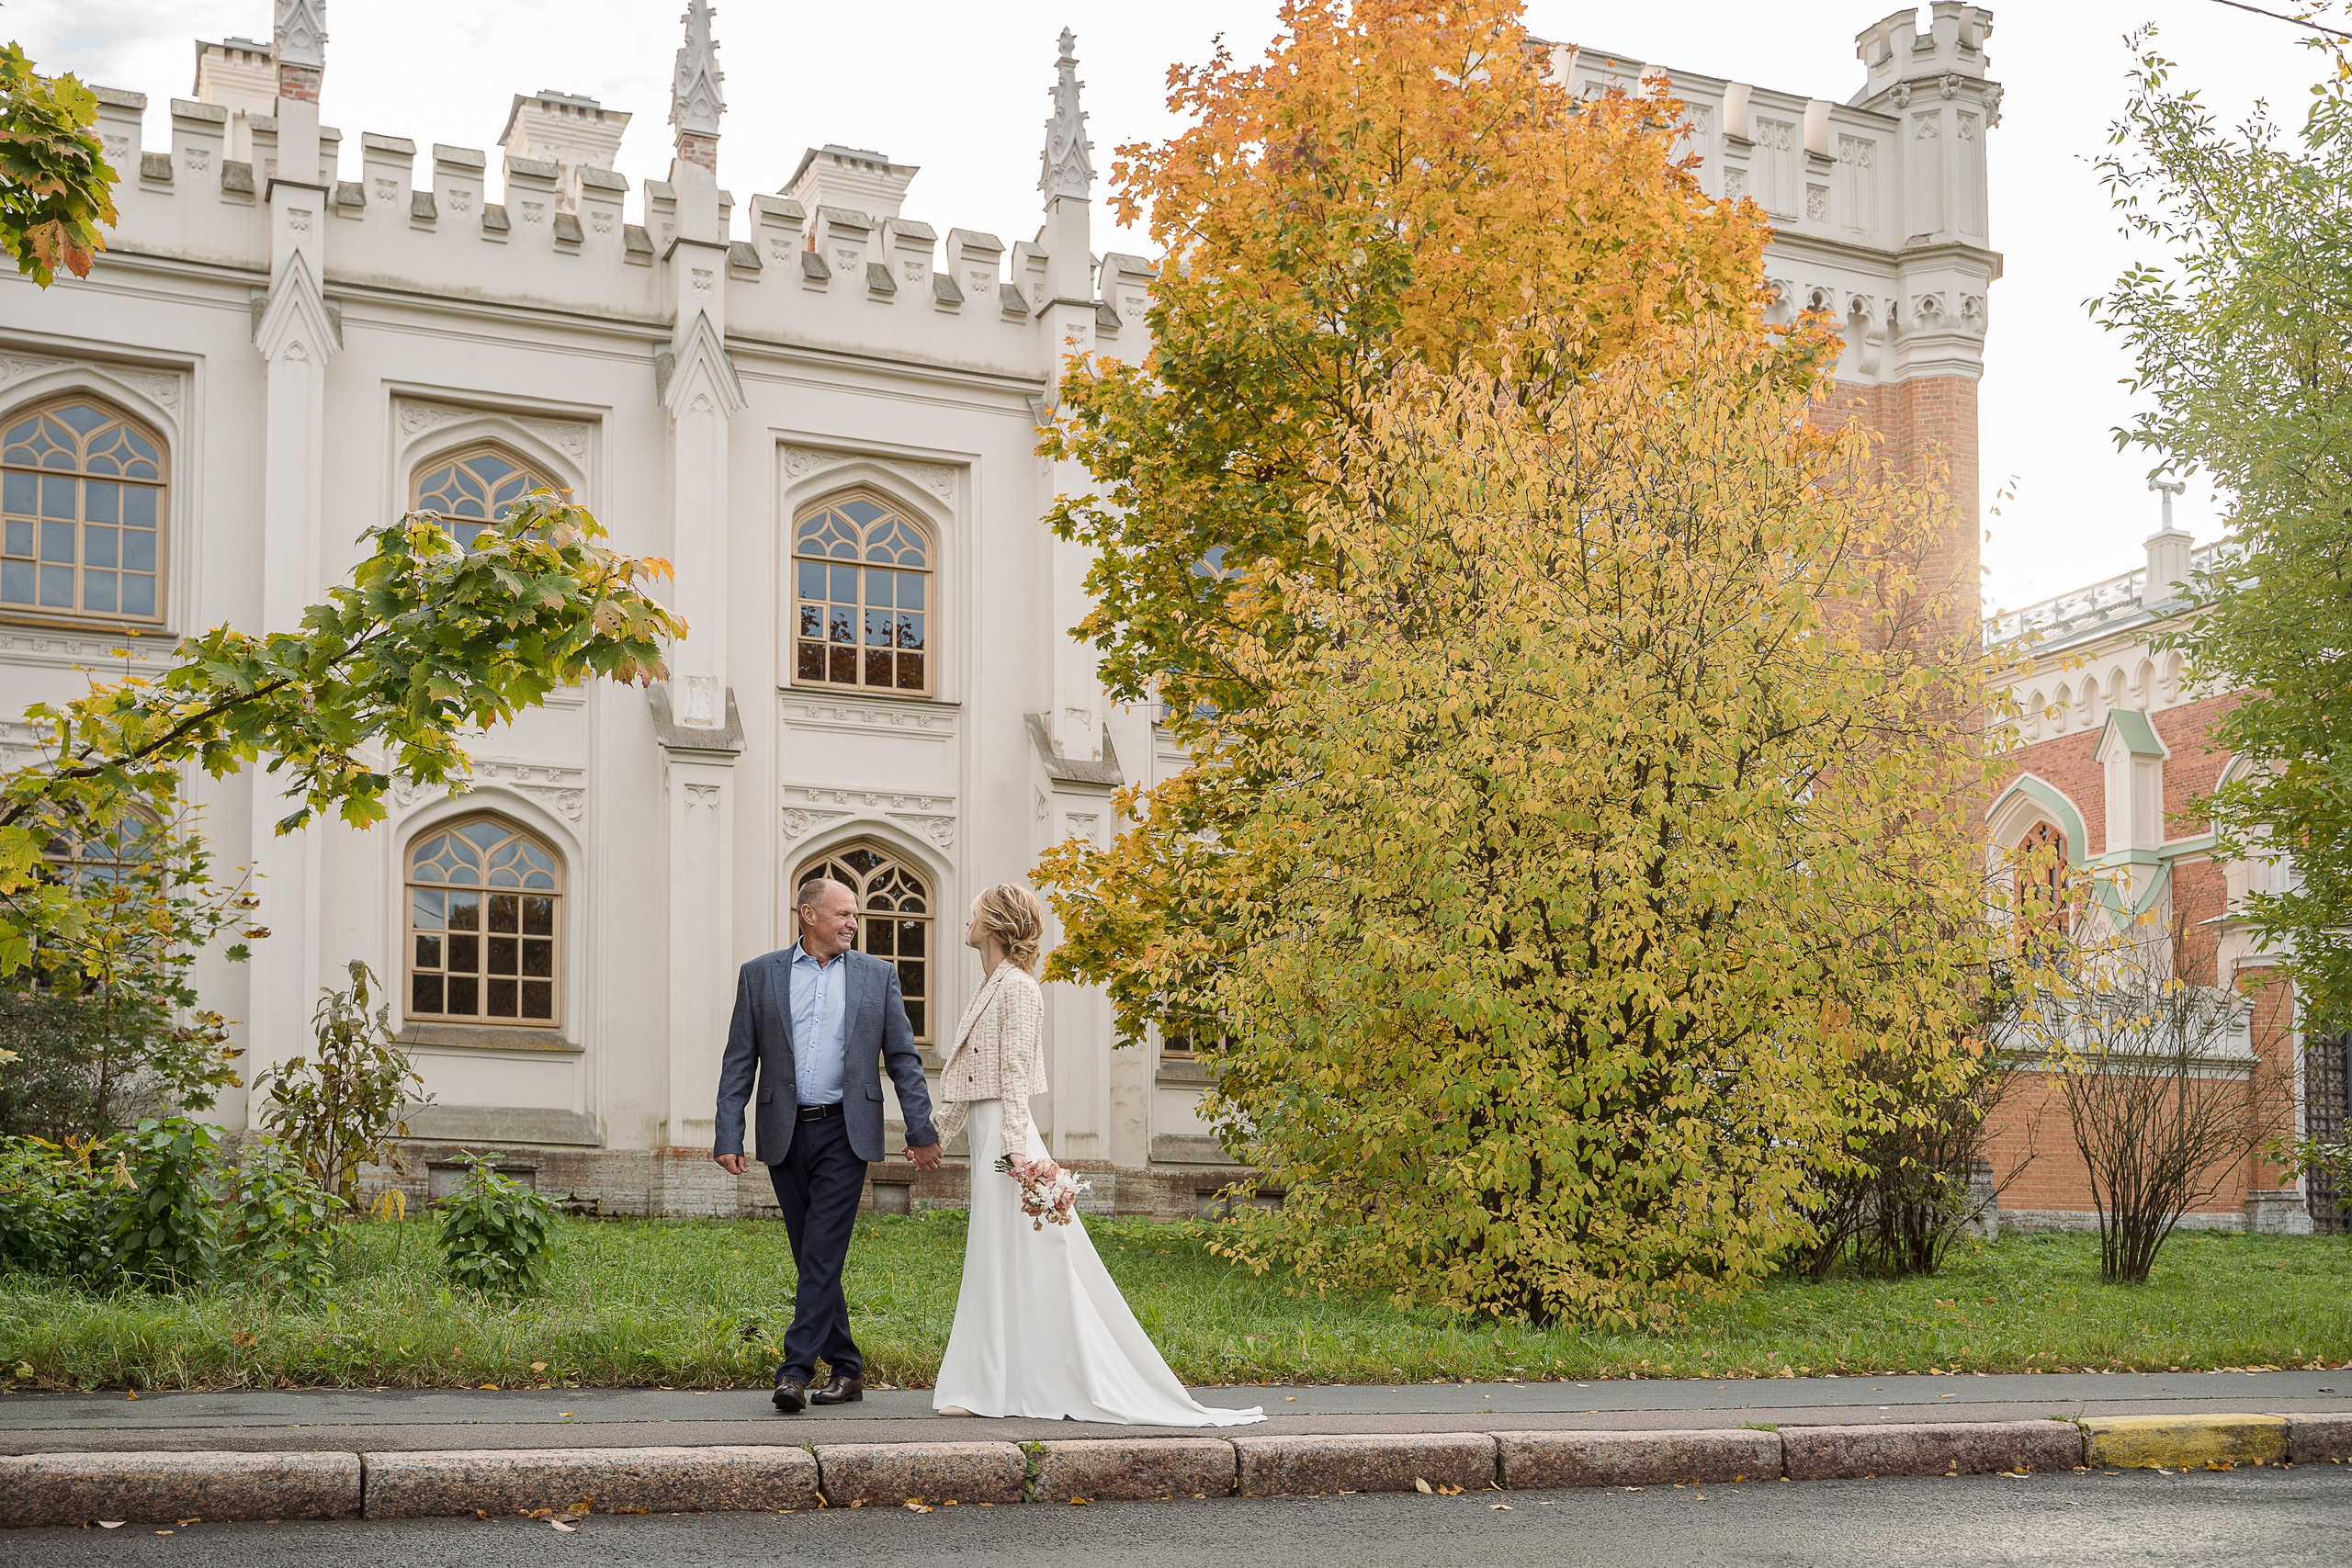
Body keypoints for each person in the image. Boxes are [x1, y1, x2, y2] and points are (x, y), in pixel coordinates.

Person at [931, 882, 1263, 1427]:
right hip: (993, 1133)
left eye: (972, 915)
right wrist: (937, 1138)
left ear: (992, 924)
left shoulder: (1017, 989)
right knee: (996, 1257)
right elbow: (971, 1077)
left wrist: (1017, 1155)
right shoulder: (991, 985)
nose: (966, 922)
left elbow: (1012, 1077)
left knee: (1030, 1256)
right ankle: (990, 1379)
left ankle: (1013, 1381)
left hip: (1008, 1141)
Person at [714, 875, 943, 1413]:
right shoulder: (760, 975)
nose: (853, 924)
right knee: (812, 1253)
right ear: (807, 915)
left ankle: (794, 1370)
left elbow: (903, 1058)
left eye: (856, 915)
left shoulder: (877, 976)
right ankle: (848, 1368)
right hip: (784, 1129)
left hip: (847, 1130)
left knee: (820, 1248)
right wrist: (729, 1131)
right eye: (843, 914)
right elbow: (739, 1059)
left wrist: (921, 1130)